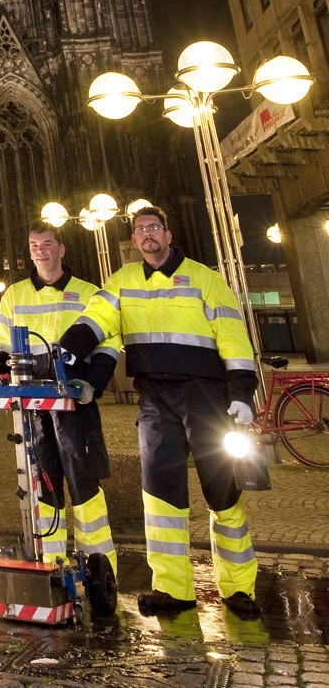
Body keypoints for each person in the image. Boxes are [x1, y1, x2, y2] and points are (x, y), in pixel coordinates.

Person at [60, 205, 261, 619]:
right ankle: (172, 588)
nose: (147, 235)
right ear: (134, 241)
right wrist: (69, 346)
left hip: (206, 396)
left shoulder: (206, 278)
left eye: (154, 228)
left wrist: (242, 392)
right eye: (140, 230)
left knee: (223, 490)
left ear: (167, 235)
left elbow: (232, 334)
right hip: (154, 396)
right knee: (159, 492)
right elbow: (97, 316)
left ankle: (238, 588)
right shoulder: (124, 280)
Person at [0, 221, 120, 581]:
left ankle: (99, 570)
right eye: (33, 246)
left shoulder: (89, 293)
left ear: (61, 249)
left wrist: (92, 383)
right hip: (32, 408)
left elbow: (108, 343)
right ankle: (52, 563)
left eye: (47, 244)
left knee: (85, 484)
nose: (40, 252)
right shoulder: (14, 296)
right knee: (44, 485)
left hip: (76, 405)